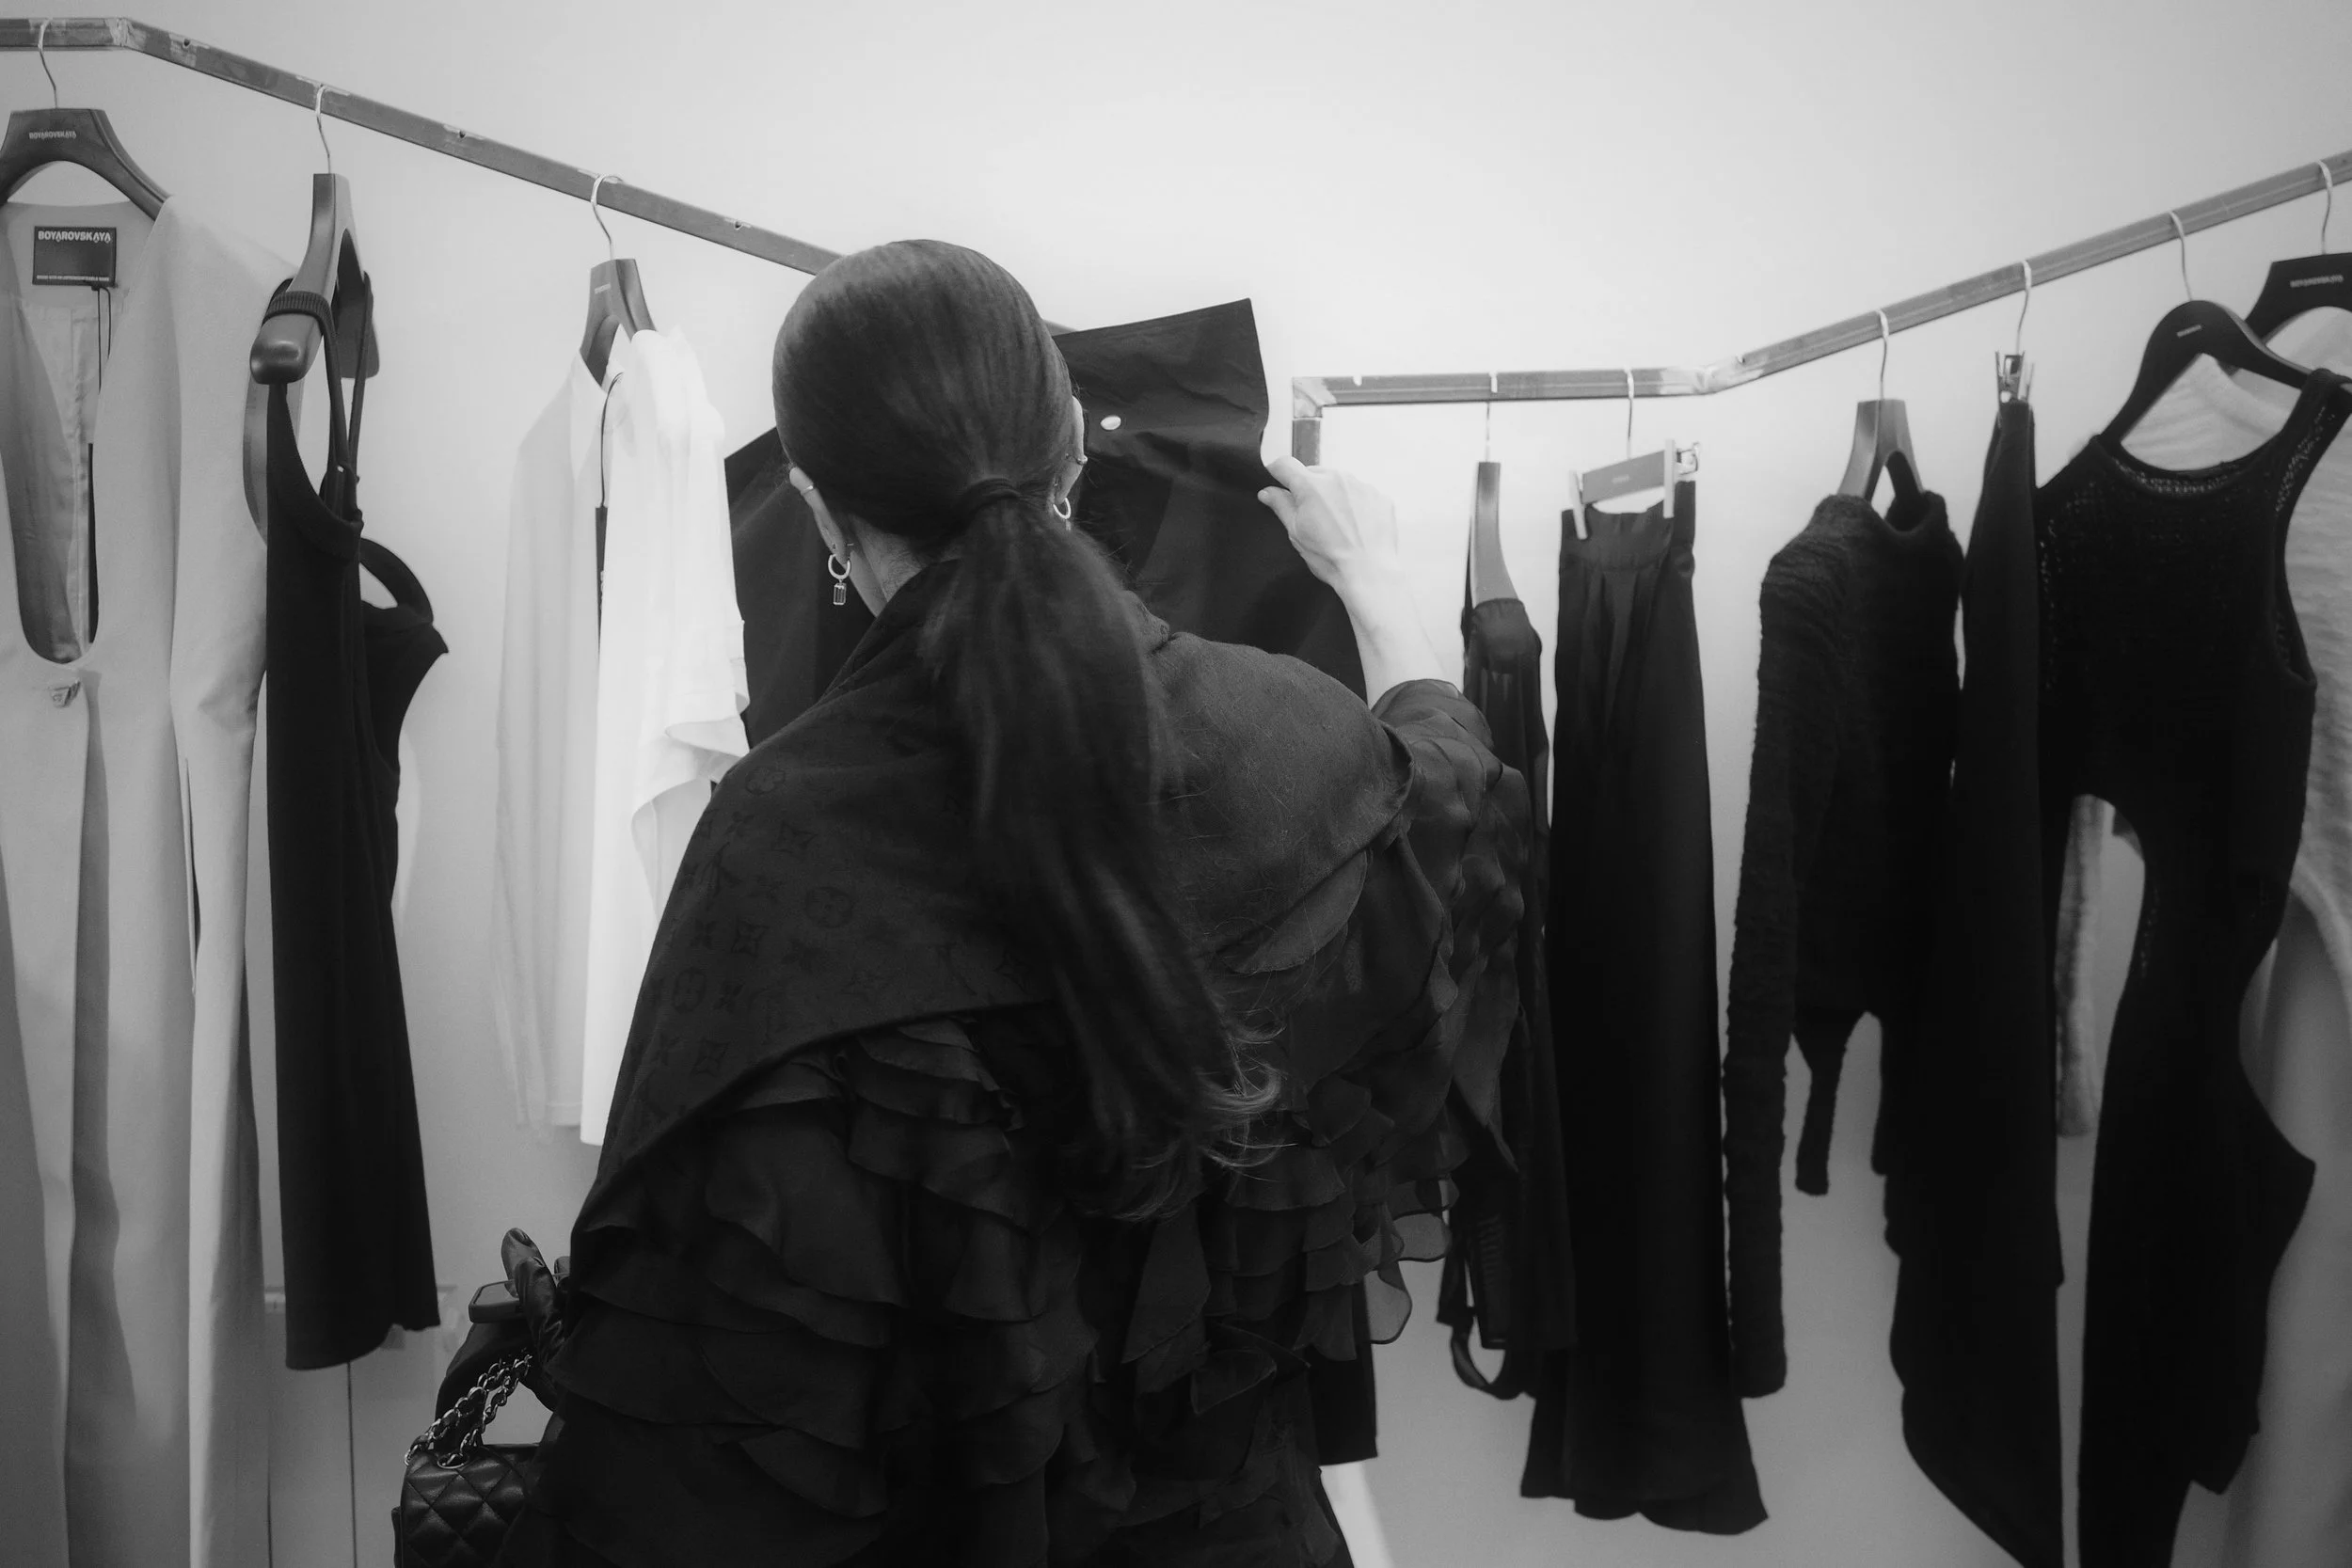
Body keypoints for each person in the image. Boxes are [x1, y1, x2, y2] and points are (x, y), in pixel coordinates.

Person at [501, 239, 1528, 1567]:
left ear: (816, 510)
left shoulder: (776, 844)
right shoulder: (1296, 743)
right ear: (1072, 466)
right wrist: (1382, 591)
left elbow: (723, 1409)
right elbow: (1448, 808)